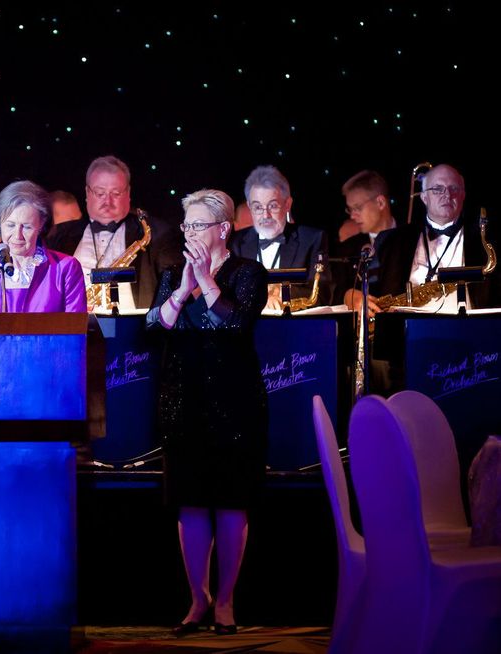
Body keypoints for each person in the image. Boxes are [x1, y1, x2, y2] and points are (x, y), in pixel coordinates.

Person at [146, 189, 268, 636]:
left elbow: (236, 324)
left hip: (234, 405)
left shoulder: (248, 272)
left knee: (232, 505)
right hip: (184, 401)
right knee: (191, 504)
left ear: (222, 229)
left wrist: (207, 281)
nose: (190, 233)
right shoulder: (173, 272)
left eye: (197, 225)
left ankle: (227, 602)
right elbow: (153, 326)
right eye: (187, 226)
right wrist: (182, 289)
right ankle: (199, 599)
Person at [47, 155, 180, 311]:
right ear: (87, 193)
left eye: (115, 193)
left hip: (132, 330)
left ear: (128, 193)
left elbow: (173, 286)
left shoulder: (157, 234)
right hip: (73, 327)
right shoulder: (58, 235)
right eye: (100, 193)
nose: (107, 202)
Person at [366, 164, 498, 311]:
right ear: (424, 197)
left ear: (463, 195)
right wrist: (354, 295)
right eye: (437, 189)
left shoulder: (487, 240)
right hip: (406, 329)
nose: (447, 195)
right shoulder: (390, 240)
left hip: (471, 329)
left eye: (454, 188)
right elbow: (366, 289)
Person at [0, 181, 86, 313]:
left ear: (41, 225)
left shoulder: (65, 268)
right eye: (10, 225)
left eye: (27, 227)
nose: (18, 235)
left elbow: (74, 330)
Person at [229, 165, 330, 310]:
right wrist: (261, 296)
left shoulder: (312, 239)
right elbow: (229, 291)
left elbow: (323, 293)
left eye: (273, 206)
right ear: (250, 206)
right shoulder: (236, 243)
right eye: (258, 207)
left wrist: (283, 293)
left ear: (287, 204)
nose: (265, 215)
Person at [335, 170, 397, 312]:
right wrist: (348, 295)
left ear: (380, 202)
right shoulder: (347, 248)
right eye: (349, 209)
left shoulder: (412, 239)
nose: (352, 216)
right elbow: (335, 290)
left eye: (357, 208)